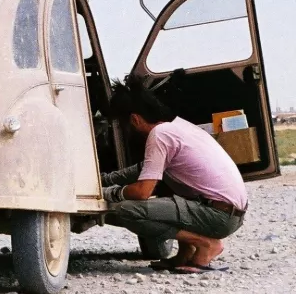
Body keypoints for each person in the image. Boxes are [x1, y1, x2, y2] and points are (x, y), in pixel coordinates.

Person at [102, 76, 248, 273]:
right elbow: (141, 168)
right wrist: (103, 179)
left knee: (127, 211)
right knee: (170, 200)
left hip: (218, 216)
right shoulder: (179, 127)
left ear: (135, 119)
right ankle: (185, 254)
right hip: (230, 213)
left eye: (123, 124)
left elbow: (142, 192)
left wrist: (109, 192)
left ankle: (206, 245)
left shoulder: (160, 135)